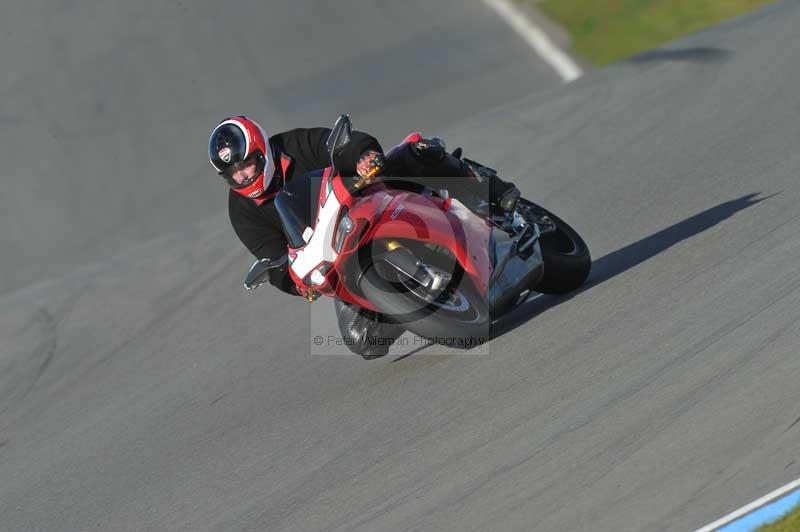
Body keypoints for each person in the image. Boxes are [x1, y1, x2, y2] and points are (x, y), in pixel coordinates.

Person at [208, 115, 518, 359]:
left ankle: (494, 194)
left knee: (416, 152)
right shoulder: (242, 212)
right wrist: (295, 283)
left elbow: (340, 144)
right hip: (334, 253)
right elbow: (273, 259)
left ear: (262, 151)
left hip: (366, 200)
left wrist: (363, 156)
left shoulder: (293, 144)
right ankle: (419, 305)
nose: (244, 177)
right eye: (234, 174)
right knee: (362, 340)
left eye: (247, 166)